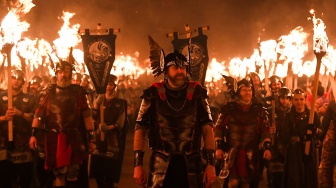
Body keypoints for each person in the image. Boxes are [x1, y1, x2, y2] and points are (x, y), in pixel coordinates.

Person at [133, 50, 216, 188]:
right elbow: (140, 129)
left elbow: (208, 129)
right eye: (175, 68)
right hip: (160, 164)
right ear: (166, 71)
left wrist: (211, 163)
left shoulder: (197, 93)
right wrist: (137, 165)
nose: (180, 71)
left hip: (192, 164)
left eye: (183, 68)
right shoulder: (152, 94)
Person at [29, 60, 95, 188]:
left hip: (74, 138)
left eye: (66, 71)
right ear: (56, 74)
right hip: (55, 138)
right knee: (58, 174)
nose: (63, 74)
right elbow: (38, 115)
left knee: (73, 174)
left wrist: (91, 139)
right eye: (60, 72)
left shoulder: (78, 93)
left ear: (71, 74)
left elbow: (87, 117)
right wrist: (33, 135)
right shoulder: (48, 93)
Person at [214, 77, 272, 188]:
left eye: (249, 90)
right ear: (238, 92)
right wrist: (219, 147)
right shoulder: (229, 109)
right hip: (233, 152)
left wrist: (267, 147)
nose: (247, 92)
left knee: (247, 183)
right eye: (244, 90)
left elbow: (265, 129)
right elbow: (218, 127)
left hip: (251, 152)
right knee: (232, 183)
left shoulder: (259, 110)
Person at [0, 69, 37, 188]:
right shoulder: (0, 96)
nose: (16, 81)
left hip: (23, 143)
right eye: (14, 78)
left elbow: (35, 118)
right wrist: (4, 118)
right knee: (5, 180)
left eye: (19, 78)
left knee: (25, 179)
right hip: (3, 143)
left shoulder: (30, 98)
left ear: (23, 82)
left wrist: (20, 114)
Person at [90, 74, 127, 188]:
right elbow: (93, 117)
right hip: (98, 139)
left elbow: (121, 122)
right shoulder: (100, 100)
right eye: (106, 84)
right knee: (97, 171)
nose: (108, 87)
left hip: (112, 140)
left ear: (114, 86)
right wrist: (96, 104)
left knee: (109, 172)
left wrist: (109, 128)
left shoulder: (120, 103)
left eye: (110, 84)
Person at [278, 88, 320, 188]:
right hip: (294, 153)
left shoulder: (313, 115)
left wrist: (314, 130)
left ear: (305, 100)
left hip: (309, 150)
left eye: (301, 99)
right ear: (292, 101)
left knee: (309, 179)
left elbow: (320, 132)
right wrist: (294, 138)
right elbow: (284, 136)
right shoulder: (288, 116)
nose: (299, 102)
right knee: (295, 180)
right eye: (296, 99)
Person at [266, 87, 292, 188]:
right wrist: (270, 130)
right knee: (275, 176)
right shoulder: (271, 111)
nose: (284, 100)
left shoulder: (292, 112)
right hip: (275, 146)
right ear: (278, 98)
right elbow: (264, 128)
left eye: (287, 98)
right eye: (282, 98)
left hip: (287, 146)